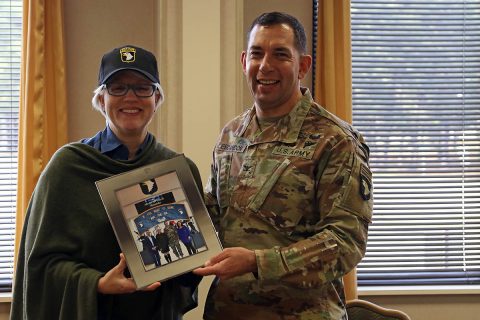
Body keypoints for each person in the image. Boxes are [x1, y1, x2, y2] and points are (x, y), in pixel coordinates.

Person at [194, 12, 373, 320]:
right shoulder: (231, 135)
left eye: (280, 54)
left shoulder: (334, 140)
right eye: (257, 53)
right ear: (243, 61)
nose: (265, 66)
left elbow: (345, 242)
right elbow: (212, 218)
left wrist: (258, 262)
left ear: (302, 65)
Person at [11, 45, 203, 320]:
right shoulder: (68, 168)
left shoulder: (177, 170)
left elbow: (188, 270)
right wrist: (97, 283)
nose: (130, 97)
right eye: (118, 88)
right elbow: (40, 266)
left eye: (142, 87)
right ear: (101, 99)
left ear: (157, 98)